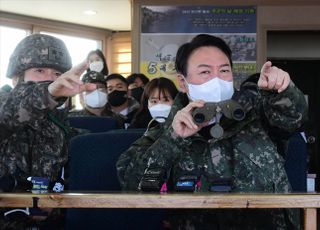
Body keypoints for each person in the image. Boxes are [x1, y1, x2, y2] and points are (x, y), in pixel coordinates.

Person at [116, 34, 308, 229]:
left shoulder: (259, 115)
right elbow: (133, 185)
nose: (217, 79)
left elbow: (294, 116)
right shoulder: (163, 133)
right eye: (205, 72)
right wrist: (173, 139)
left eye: (224, 70)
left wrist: (282, 89)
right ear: (183, 82)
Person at [0, 33, 96, 229]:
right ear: (17, 76)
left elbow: (75, 181)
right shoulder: (4, 107)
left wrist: (58, 204)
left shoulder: (63, 127)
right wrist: (49, 92)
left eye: (57, 74)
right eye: (40, 70)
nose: (50, 79)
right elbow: (11, 111)